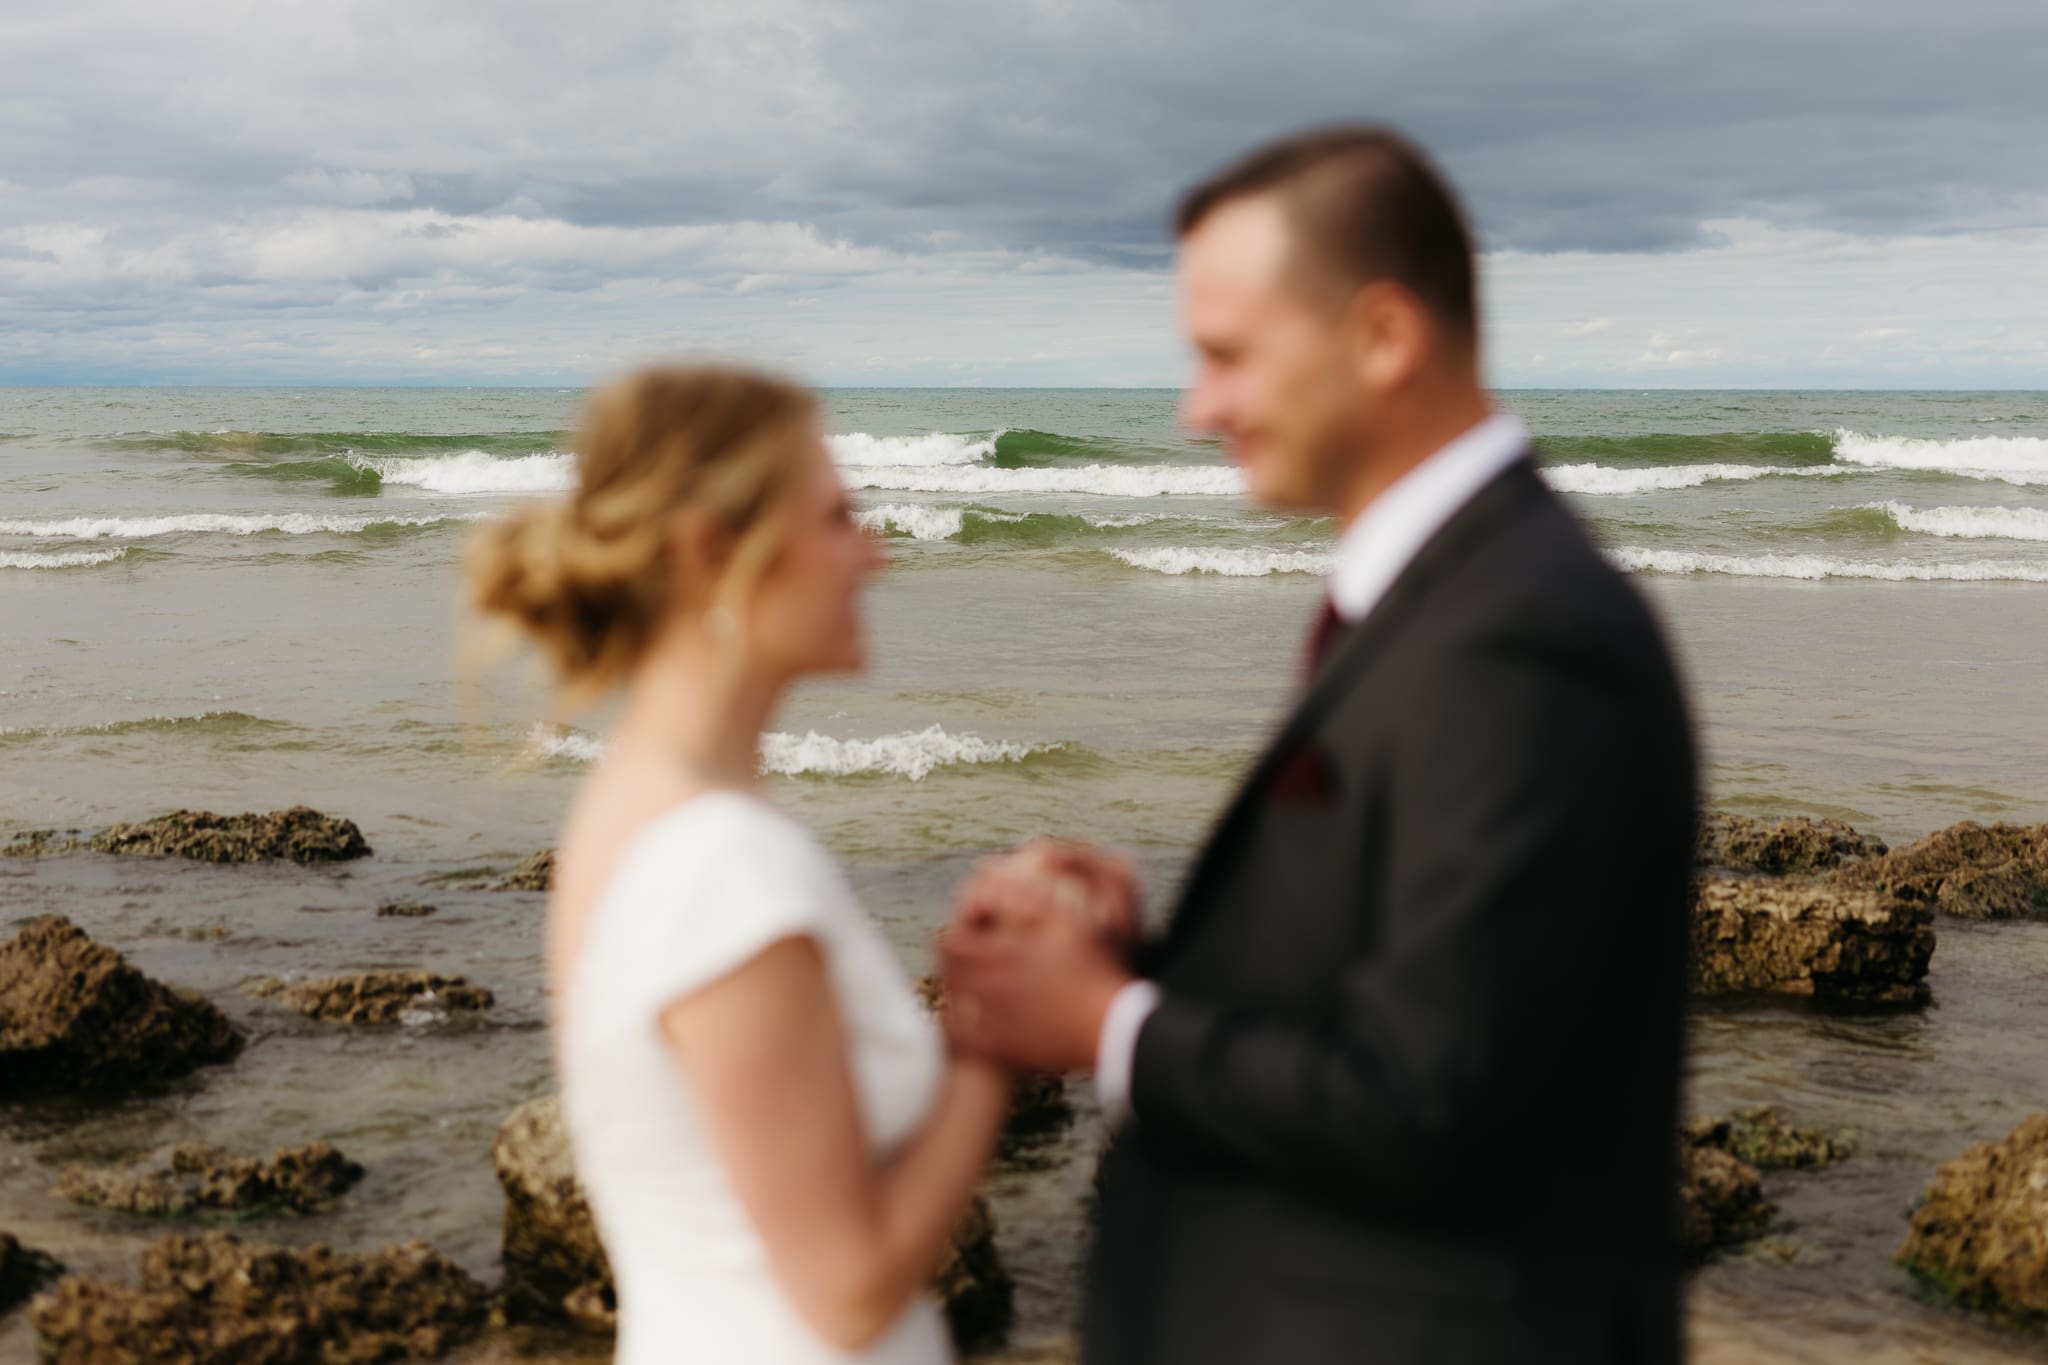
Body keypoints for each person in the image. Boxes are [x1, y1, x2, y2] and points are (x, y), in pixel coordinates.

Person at [939, 126, 1699, 1364]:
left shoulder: (1519, 637)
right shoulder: (1440, 602)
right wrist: (1155, 961)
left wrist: (1110, 1024)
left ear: (1382, 336)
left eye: (1226, 355)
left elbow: (1435, 1103)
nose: (1197, 409)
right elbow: (1402, 987)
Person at [468, 367, 1012, 1364]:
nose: (873, 557)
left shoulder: (631, 810)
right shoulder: (717, 862)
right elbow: (843, 1296)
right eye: (839, 517)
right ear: (713, 551)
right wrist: (993, 1044)